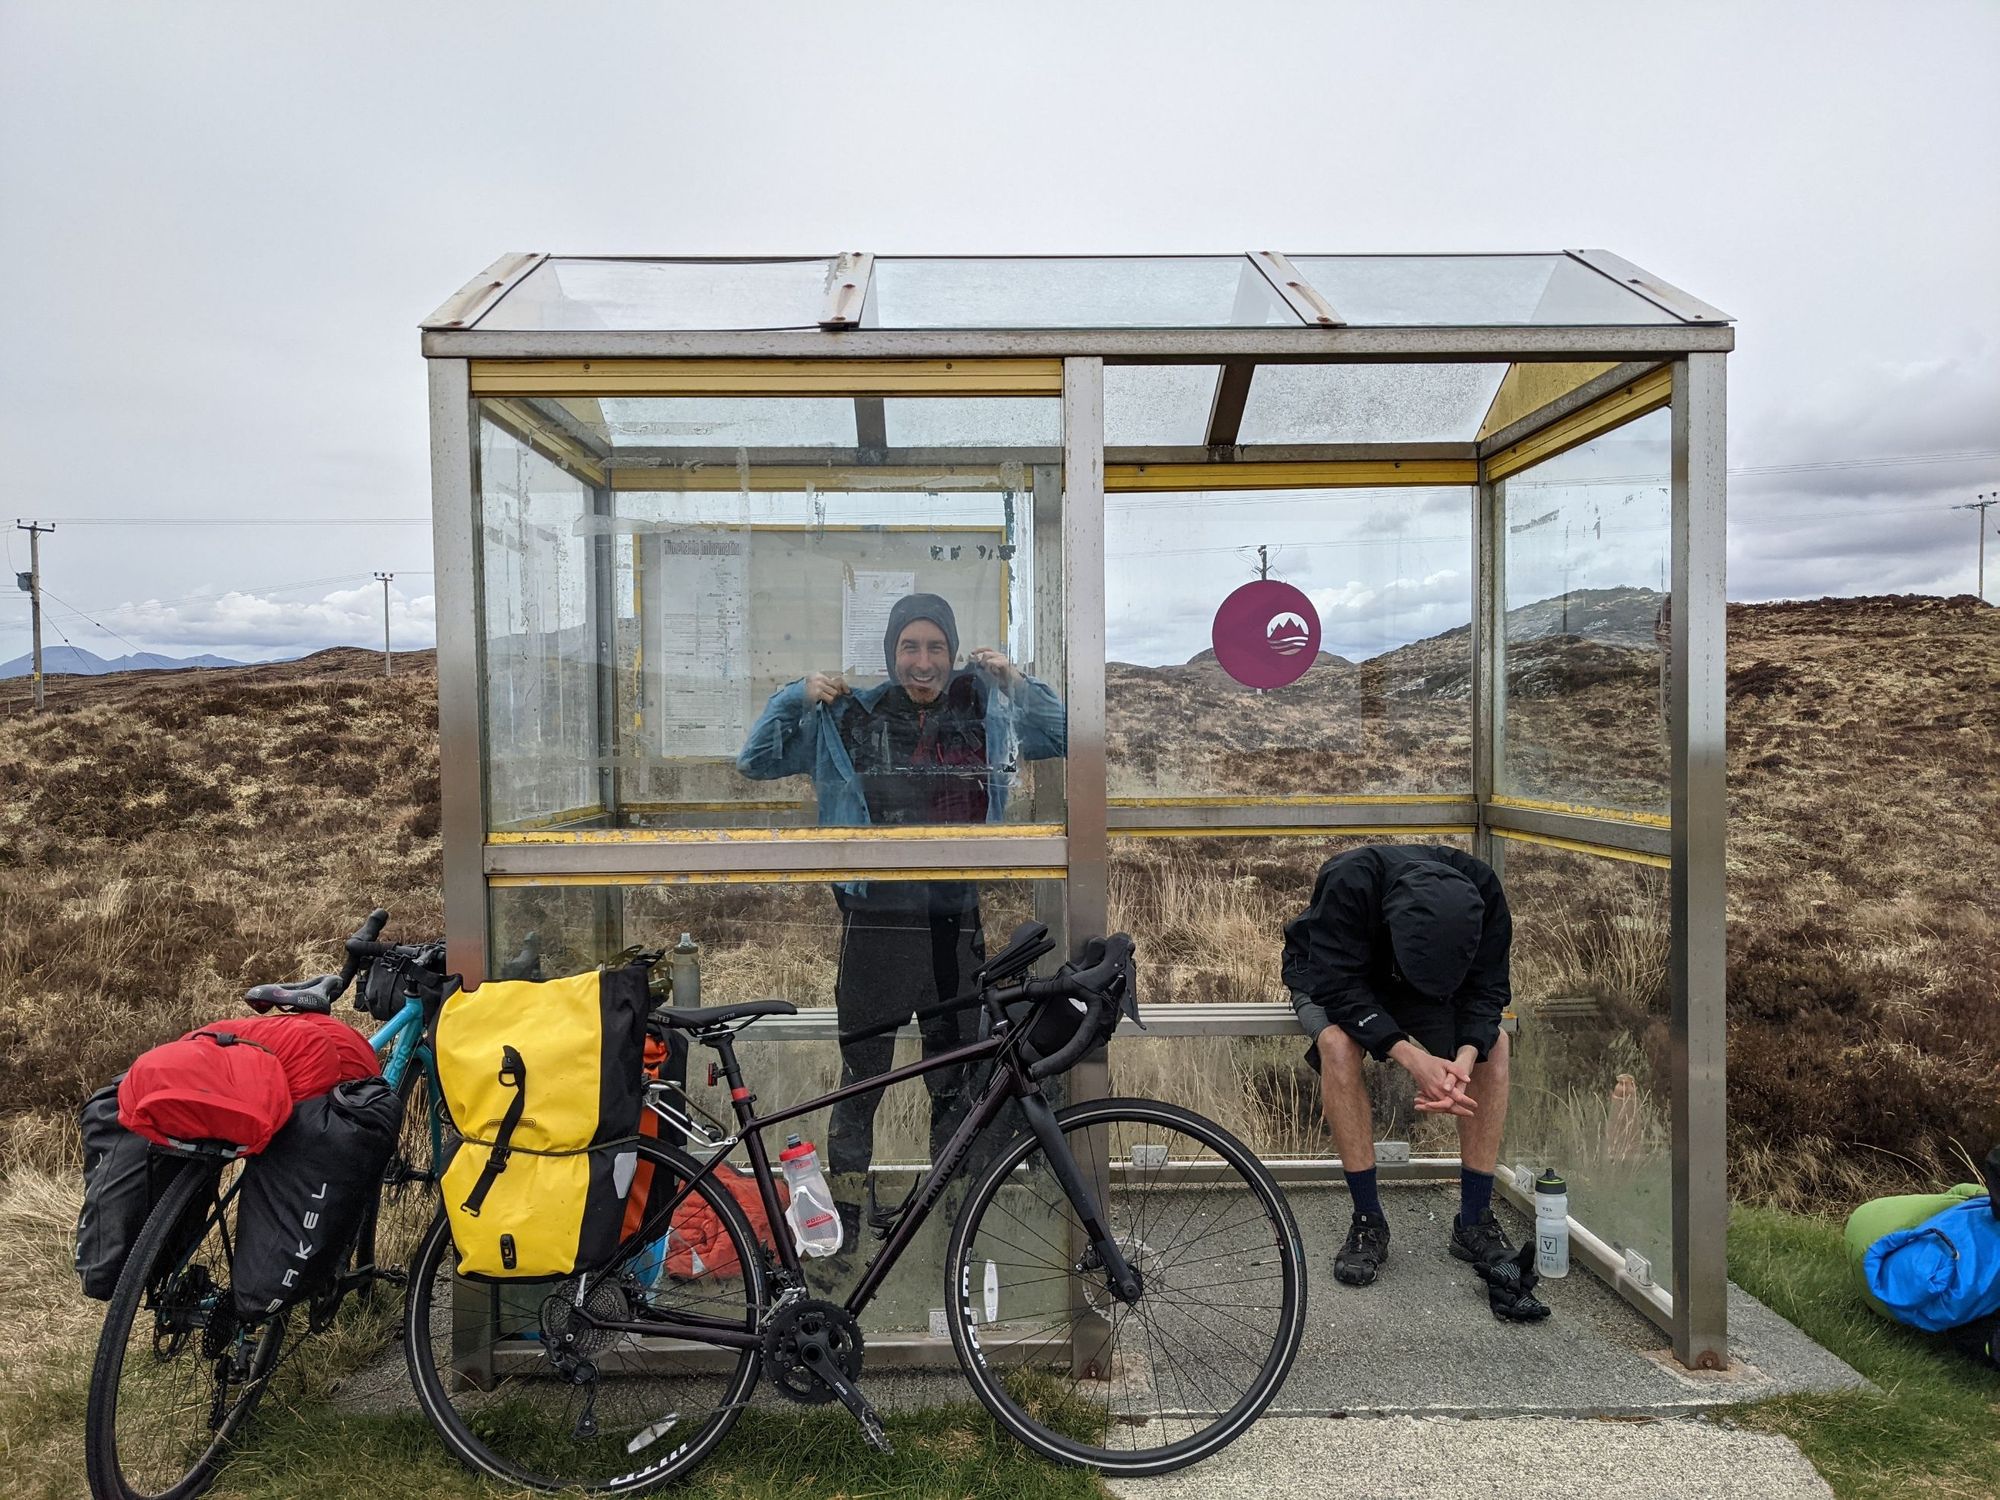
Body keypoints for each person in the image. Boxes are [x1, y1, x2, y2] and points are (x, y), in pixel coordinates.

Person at [737, 593, 1065, 1225]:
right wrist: (794, 696)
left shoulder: (983, 710)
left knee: (954, 1084)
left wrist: (1015, 681)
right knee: (861, 1086)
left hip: (954, 924)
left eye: (935, 647)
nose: (923, 662)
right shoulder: (851, 716)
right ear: (891, 654)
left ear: (951, 652)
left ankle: (948, 1223)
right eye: (909, 647)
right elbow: (754, 762)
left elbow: (1063, 734)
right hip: (876, 927)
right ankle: (852, 1228)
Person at [1281, 843, 1516, 1288]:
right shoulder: (1349, 880)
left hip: (1421, 991)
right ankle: (1368, 1218)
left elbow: (1488, 989)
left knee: (1495, 1045)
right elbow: (1336, 986)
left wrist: (1464, 1058)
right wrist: (1412, 1057)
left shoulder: (1483, 886)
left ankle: (1474, 1220)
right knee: (1336, 1044)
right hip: (1333, 975)